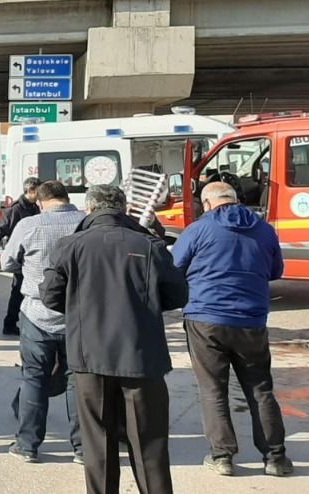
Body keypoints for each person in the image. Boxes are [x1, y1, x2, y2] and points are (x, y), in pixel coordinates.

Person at [41, 185, 188, 494]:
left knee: (98, 445)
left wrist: (82, 306)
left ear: (89, 209)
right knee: (149, 445)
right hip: (142, 355)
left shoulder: (72, 245)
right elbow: (177, 294)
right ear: (124, 209)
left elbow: (50, 296)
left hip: (90, 355)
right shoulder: (149, 244)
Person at [172, 182, 293, 477]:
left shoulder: (198, 229)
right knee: (260, 389)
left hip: (206, 318)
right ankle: (275, 457)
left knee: (213, 388)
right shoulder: (264, 230)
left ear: (207, 203)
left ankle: (222, 456)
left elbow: (174, 267)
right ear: (235, 200)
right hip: (251, 319)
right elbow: (276, 271)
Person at [2, 181, 85, 464]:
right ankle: (83, 448)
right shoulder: (86, 222)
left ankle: (27, 445)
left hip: (37, 312)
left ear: (40, 202)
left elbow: (7, 262)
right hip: (78, 313)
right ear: (66, 198)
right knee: (77, 379)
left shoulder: (29, 225)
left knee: (34, 377)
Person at [0, 177, 42, 336]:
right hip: (20, 257)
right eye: (39, 191)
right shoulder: (15, 210)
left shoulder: (34, 207)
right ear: (31, 191)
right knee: (18, 293)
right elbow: (0, 229)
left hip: (32, 255)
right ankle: (10, 323)